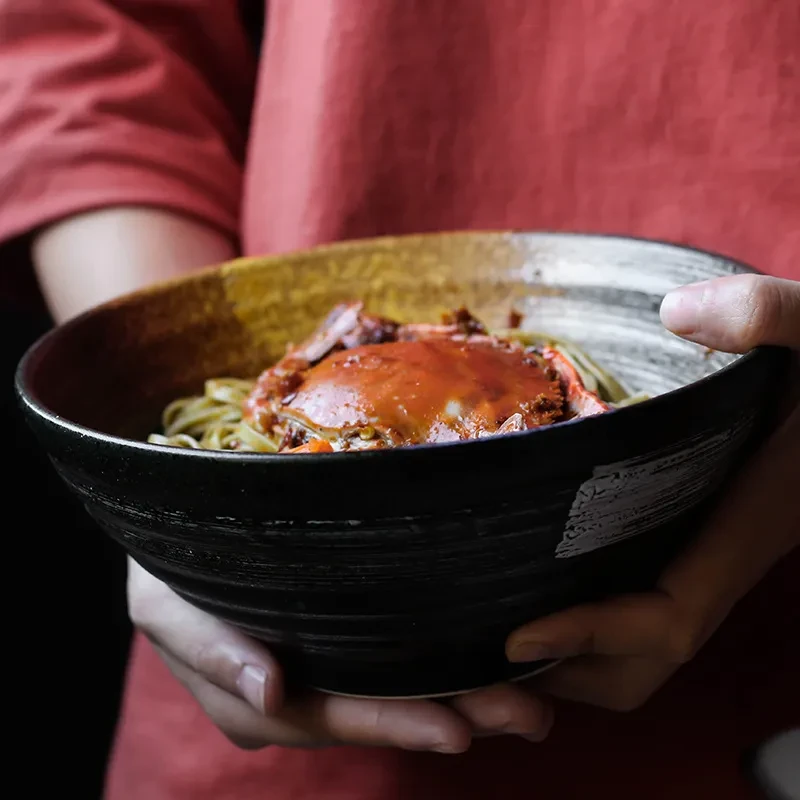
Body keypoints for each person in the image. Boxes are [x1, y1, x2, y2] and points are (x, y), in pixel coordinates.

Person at [1, 1, 797, 798]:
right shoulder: (282, 393)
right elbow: (90, 39)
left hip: (747, 659)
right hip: (256, 681)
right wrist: (176, 498)